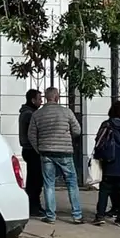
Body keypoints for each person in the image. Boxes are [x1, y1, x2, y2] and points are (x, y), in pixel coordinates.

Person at [28, 86, 83, 224]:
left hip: (46, 152)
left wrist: (38, 149)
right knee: (71, 183)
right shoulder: (67, 112)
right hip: (65, 152)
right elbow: (77, 130)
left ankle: (51, 216)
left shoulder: (37, 114)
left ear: (46, 98)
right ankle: (77, 215)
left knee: (49, 184)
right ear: (57, 97)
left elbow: (31, 135)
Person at [18, 89, 44, 217]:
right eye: (39, 99)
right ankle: (33, 206)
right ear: (33, 100)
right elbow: (33, 133)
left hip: (29, 149)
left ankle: (34, 205)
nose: (41, 101)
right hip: (32, 150)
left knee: (35, 180)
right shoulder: (30, 114)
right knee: (35, 181)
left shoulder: (28, 112)